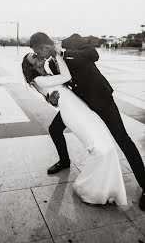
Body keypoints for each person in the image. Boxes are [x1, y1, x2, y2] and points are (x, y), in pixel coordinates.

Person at [29, 32, 145, 210]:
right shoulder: (50, 64)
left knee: (122, 138)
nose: (39, 56)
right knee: (55, 129)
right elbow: (60, 85)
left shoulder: (72, 41)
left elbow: (94, 55)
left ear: (44, 46)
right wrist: (49, 99)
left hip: (101, 99)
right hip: (81, 105)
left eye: (37, 52)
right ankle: (65, 161)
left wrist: (64, 52)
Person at [22, 52, 127, 205]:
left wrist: (50, 99)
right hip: (71, 111)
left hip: (79, 104)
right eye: (35, 58)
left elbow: (50, 93)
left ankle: (104, 186)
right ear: (32, 67)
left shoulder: (48, 69)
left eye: (37, 54)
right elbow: (64, 78)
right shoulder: (38, 79)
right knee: (96, 147)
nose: (39, 56)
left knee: (104, 143)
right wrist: (57, 54)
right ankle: (87, 186)